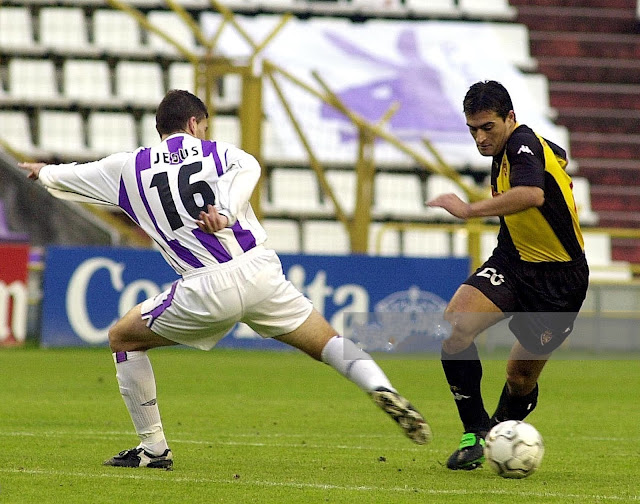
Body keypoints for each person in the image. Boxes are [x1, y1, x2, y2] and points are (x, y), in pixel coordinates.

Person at [19, 89, 430, 470]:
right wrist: (227, 213)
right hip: (260, 272)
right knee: (330, 342)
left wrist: (43, 172)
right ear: (196, 124)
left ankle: (153, 449)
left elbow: (74, 175)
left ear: (160, 128)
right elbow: (247, 171)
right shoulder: (223, 154)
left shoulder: (128, 168)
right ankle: (382, 386)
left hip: (205, 286)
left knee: (123, 337)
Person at [427, 80, 589, 471]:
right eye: (473, 130)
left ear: (510, 118)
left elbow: (532, 194)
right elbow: (556, 158)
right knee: (457, 327)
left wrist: (468, 210)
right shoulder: (514, 149)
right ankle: (474, 433)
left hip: (559, 282)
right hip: (513, 263)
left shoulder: (521, 143)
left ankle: (498, 431)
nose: (480, 138)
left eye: (488, 128)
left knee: (519, 378)